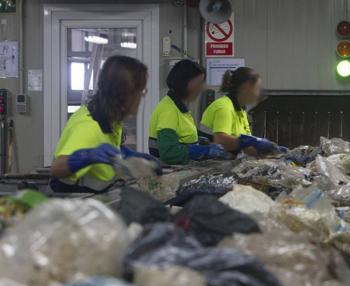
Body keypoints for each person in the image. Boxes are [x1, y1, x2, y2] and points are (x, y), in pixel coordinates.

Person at [50, 56, 157, 193]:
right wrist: (86, 156)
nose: (141, 98)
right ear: (125, 94)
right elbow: (57, 168)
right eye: (141, 92)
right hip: (74, 206)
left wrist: (129, 156)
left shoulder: (109, 119)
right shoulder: (89, 127)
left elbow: (108, 147)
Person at [149, 59, 229, 164]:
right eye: (199, 83)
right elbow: (169, 152)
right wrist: (203, 151)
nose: (201, 88)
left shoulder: (180, 109)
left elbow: (180, 138)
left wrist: (198, 142)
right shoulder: (169, 110)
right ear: (186, 83)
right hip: (170, 174)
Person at [199, 67, 284, 155]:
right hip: (207, 164)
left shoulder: (241, 112)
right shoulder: (224, 107)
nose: (258, 93)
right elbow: (220, 141)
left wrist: (272, 151)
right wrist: (253, 142)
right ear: (246, 87)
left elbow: (245, 147)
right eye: (257, 88)